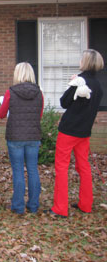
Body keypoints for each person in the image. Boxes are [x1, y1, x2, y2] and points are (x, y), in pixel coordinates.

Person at [46, 49, 104, 218]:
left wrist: (72, 83)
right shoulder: (98, 86)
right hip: (84, 132)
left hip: (69, 130)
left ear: (85, 62)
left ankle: (60, 208)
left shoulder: (79, 81)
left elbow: (64, 102)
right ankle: (86, 204)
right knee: (84, 167)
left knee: (62, 167)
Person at [0, 63, 44, 214]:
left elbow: (1, 114)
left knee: (18, 170)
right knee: (33, 170)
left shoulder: (10, 92)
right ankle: (33, 205)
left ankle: (18, 206)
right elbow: (39, 115)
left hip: (15, 136)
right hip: (33, 135)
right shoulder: (39, 92)